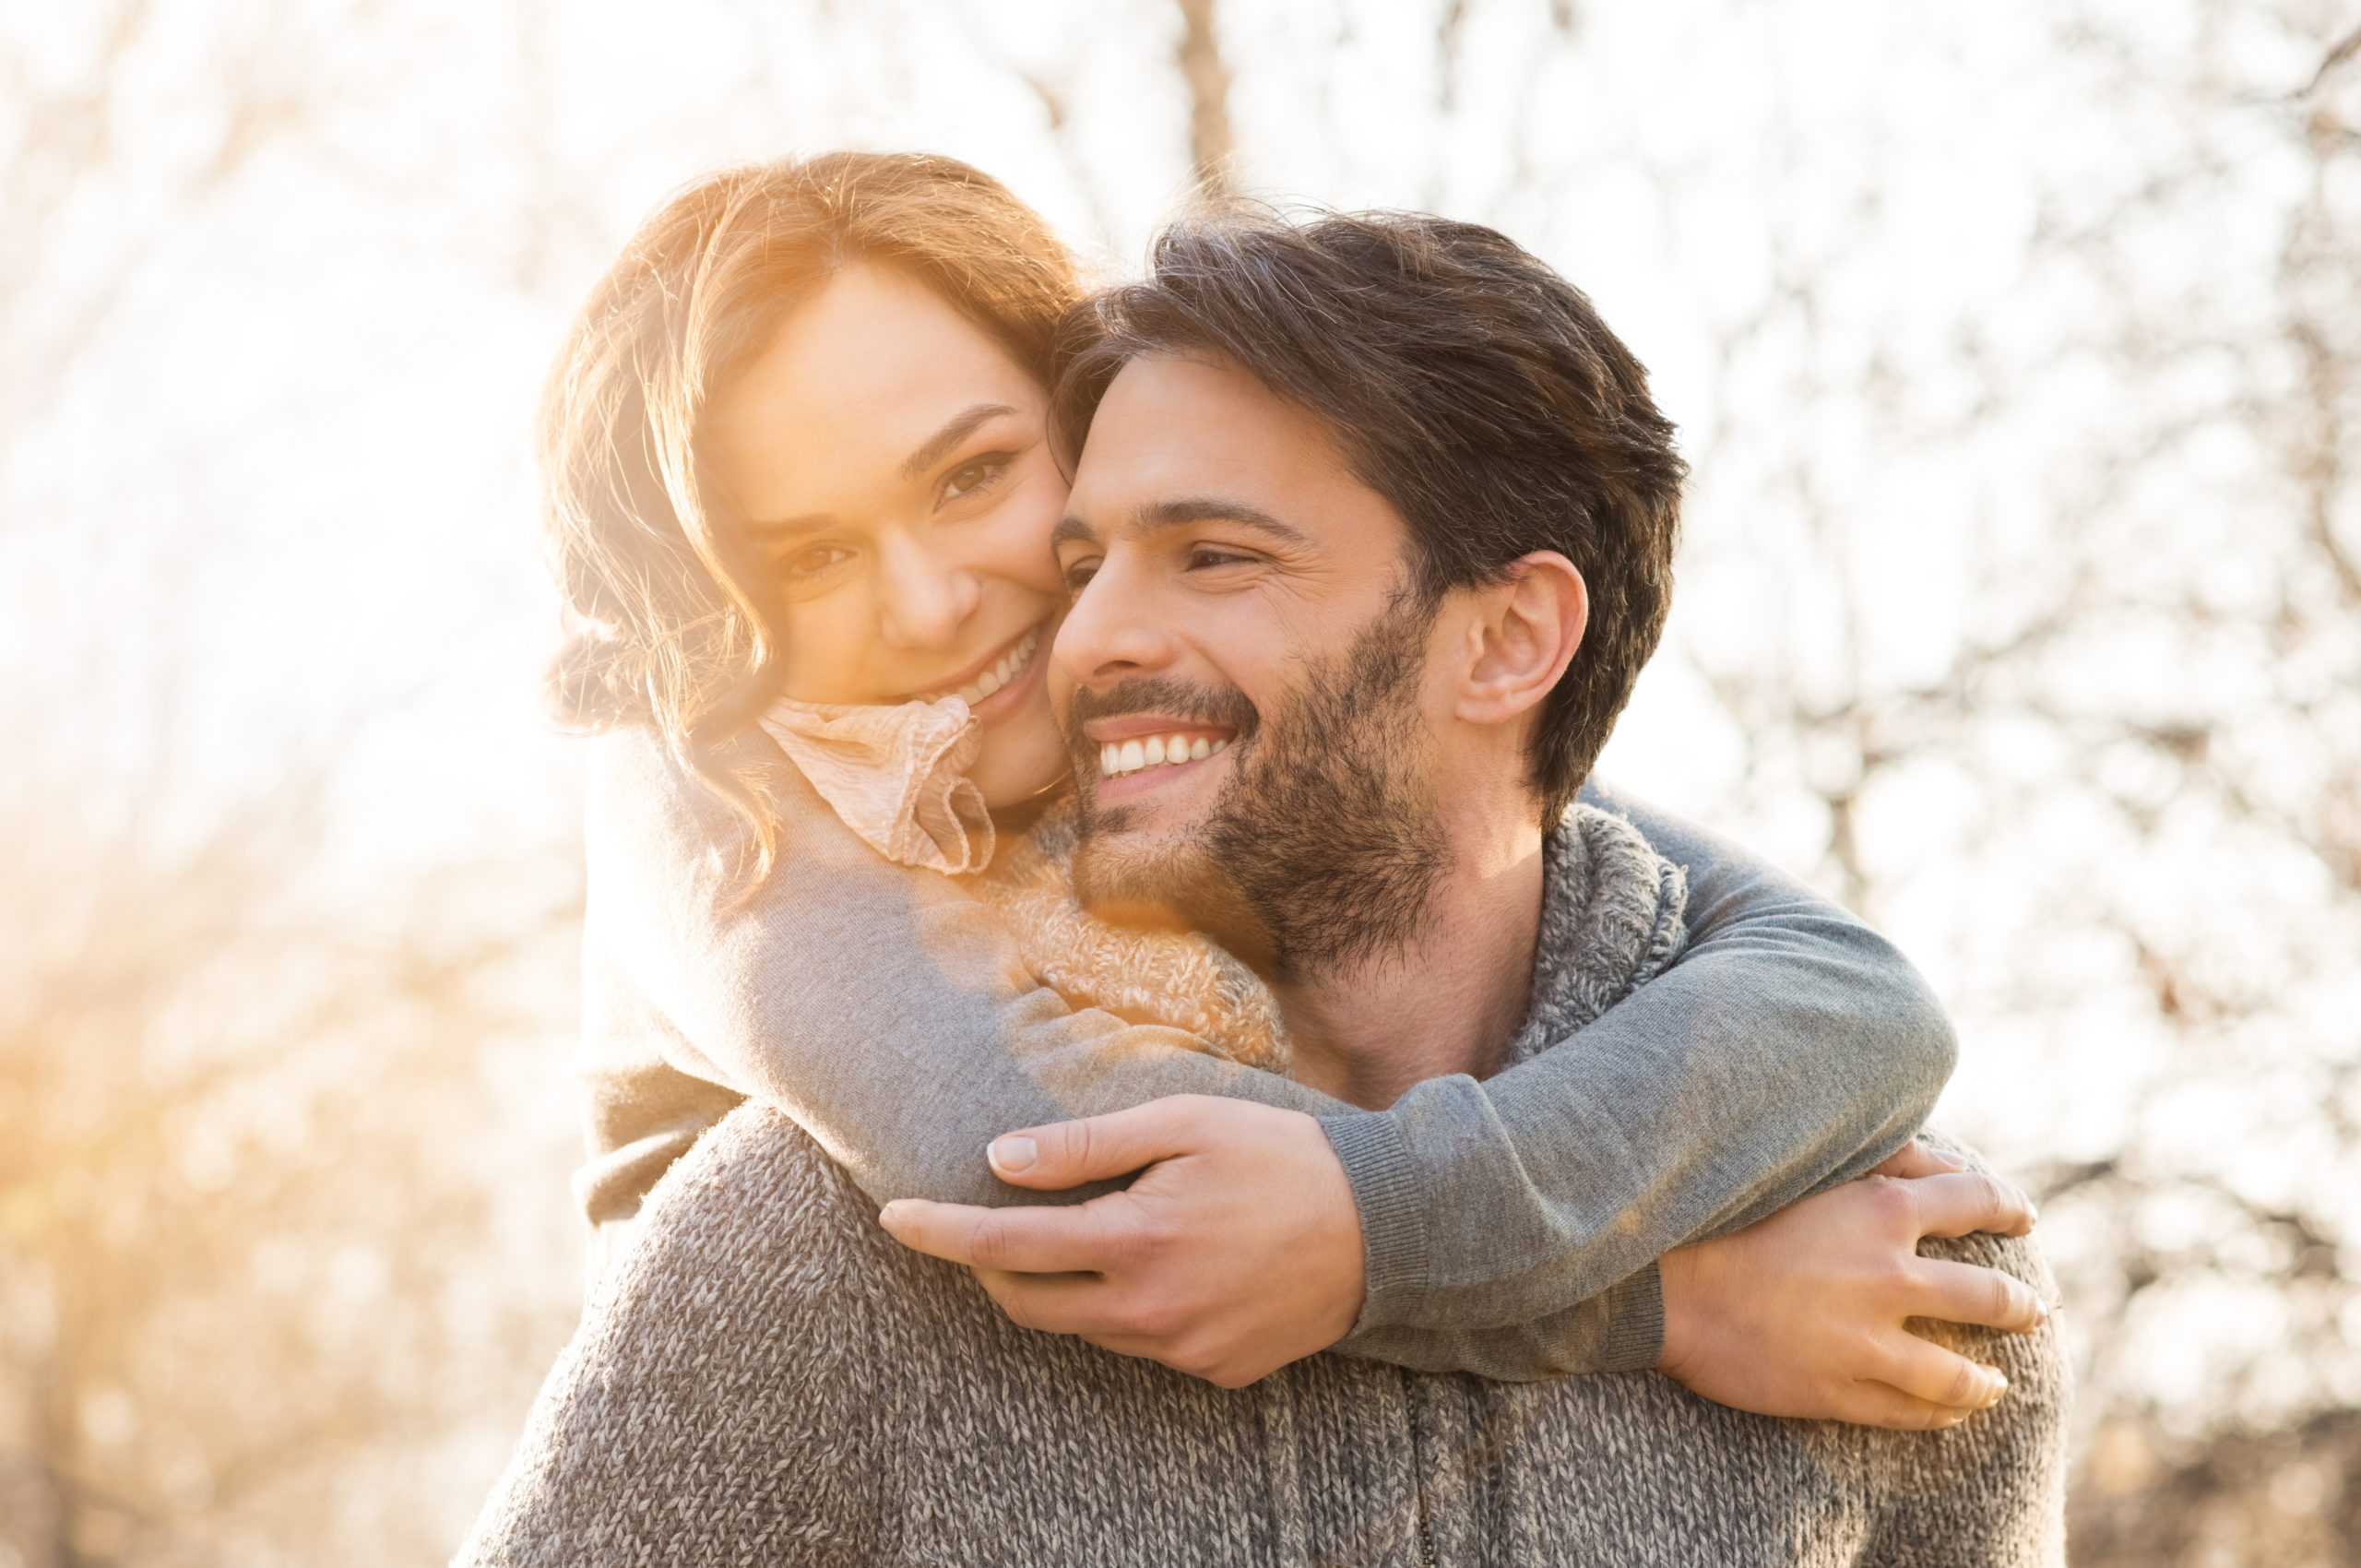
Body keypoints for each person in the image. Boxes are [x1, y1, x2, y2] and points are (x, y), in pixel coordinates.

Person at [460, 206, 2066, 1564]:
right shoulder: (726, 845)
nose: (956, 603)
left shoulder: (1906, 1271)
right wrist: (1664, 1302)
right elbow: (1035, 1167)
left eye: (977, 480)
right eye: (804, 554)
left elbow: (1831, 977)